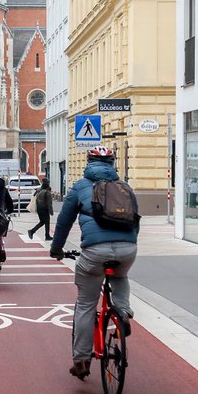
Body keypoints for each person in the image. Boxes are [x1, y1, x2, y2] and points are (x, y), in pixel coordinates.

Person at [49, 146, 139, 380]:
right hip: (128, 248)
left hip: (94, 252)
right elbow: (136, 220)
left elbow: (63, 222)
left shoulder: (80, 187)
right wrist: (127, 244)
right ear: (112, 163)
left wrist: (56, 249)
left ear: (88, 163)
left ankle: (81, 360)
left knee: (86, 304)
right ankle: (123, 313)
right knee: (120, 275)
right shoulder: (125, 187)